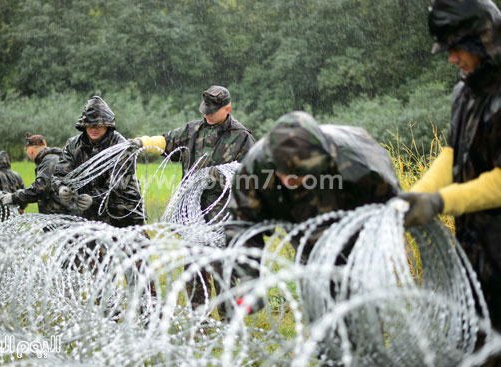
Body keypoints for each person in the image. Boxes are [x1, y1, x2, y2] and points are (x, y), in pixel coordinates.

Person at [399, 0, 501, 358]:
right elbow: (453, 155)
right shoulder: (465, 91)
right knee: (477, 346)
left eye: (455, 49)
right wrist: (415, 196)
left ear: (481, 42)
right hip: (477, 250)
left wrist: (441, 202)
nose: (451, 59)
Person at [227, 111, 400, 312]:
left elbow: (392, 207)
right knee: (321, 316)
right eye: (285, 173)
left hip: (359, 245)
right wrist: (249, 278)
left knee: (361, 317)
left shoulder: (357, 160)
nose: (291, 180)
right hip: (307, 245)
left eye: (300, 173)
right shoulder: (255, 169)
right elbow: (243, 225)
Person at [131, 85, 256, 315]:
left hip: (221, 216)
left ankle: (229, 322)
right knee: (194, 271)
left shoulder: (242, 137)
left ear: (227, 109)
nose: (206, 114)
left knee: (223, 272)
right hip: (193, 214)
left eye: (212, 110)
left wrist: (220, 176)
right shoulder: (193, 130)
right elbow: (166, 141)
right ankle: (200, 321)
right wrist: (142, 143)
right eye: (204, 109)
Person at [52, 95, 145, 227]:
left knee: (130, 246)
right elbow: (60, 173)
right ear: (83, 126)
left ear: (108, 126)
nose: (94, 129)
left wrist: (94, 199)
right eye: (90, 125)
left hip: (124, 213)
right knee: (89, 246)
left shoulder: (122, 146)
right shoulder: (73, 145)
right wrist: (61, 188)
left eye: (99, 125)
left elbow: (117, 185)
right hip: (89, 213)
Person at [0, 132, 71, 215]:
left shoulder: (49, 161)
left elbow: (40, 189)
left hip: (61, 216)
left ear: (31, 151)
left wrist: (13, 197)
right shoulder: (52, 159)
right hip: (61, 213)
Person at [0, 150, 26, 214]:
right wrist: (22, 208)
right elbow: (24, 192)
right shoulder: (16, 175)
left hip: (1, 212)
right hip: (15, 212)